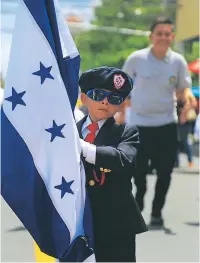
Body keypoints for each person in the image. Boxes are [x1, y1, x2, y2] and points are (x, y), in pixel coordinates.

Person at [122, 16, 196, 227]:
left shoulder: (178, 62)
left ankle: (156, 212)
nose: (163, 38)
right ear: (151, 36)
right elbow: (122, 84)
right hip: (139, 124)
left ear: (172, 36)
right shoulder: (137, 59)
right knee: (139, 173)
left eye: (167, 34)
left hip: (166, 124)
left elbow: (183, 88)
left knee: (165, 172)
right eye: (159, 34)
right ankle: (140, 200)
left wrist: (188, 99)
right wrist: (120, 108)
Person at [77, 66, 147, 262]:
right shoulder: (68, 133)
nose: (105, 102)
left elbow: (123, 160)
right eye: (98, 95)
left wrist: (83, 148)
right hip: (77, 221)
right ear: (84, 99)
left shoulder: (126, 132)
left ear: (120, 106)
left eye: (114, 99)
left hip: (116, 224)